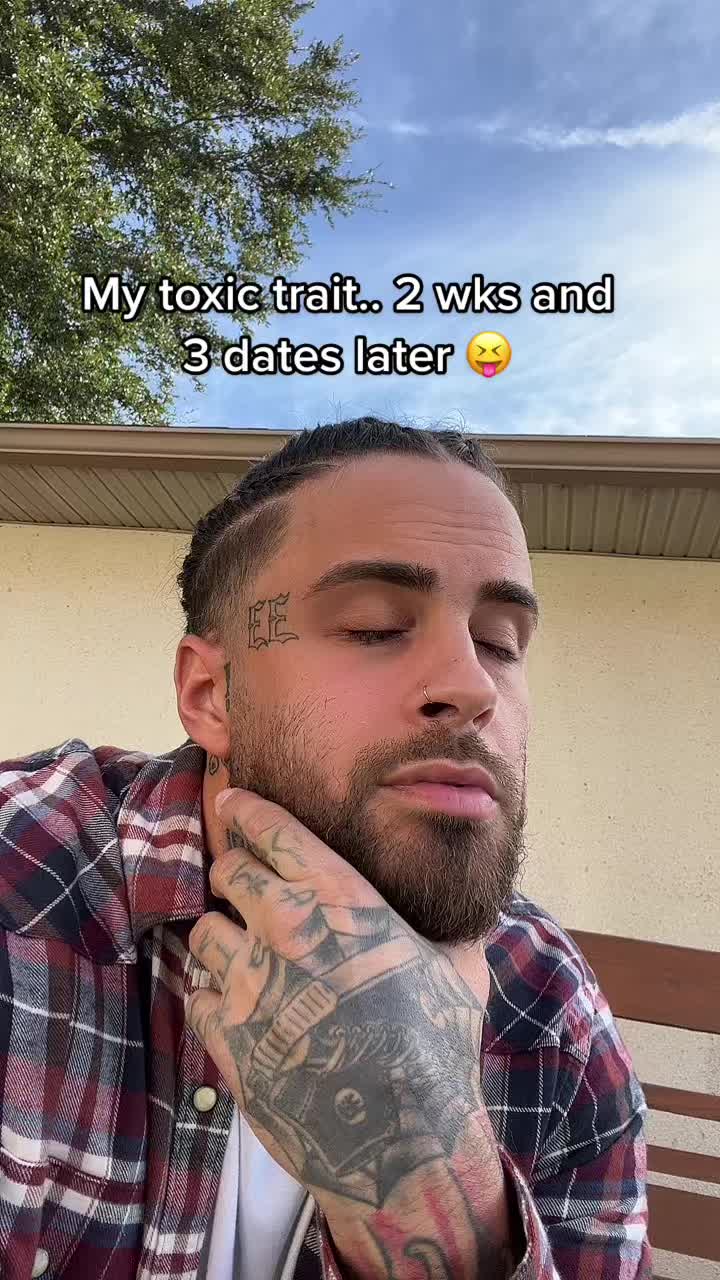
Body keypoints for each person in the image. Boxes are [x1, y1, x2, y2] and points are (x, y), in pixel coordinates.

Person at [0, 417, 651, 1280]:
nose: (472, 685)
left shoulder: (550, 1014)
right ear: (211, 694)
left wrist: (436, 1193)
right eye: (375, 627)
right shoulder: (23, 890)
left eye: (500, 642)